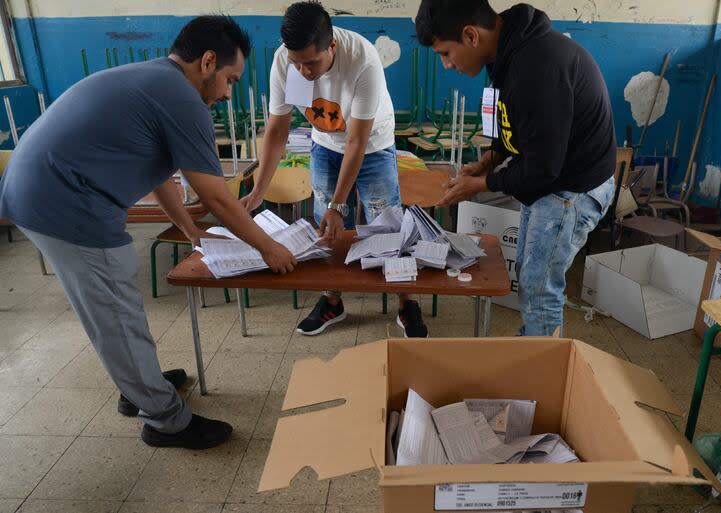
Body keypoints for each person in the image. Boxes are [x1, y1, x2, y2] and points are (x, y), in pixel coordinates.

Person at [0, 16, 297, 449]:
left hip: (39, 189)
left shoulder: (156, 82)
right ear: (208, 61)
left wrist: (189, 229)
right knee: (117, 313)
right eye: (231, 79)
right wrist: (270, 247)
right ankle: (164, 420)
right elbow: (215, 194)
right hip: (63, 203)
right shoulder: (182, 98)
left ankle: (140, 385)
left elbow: (161, 174)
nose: (229, 92)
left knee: (116, 308)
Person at [415, 1, 617, 337]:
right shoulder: (507, 54)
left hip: (572, 190)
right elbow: (517, 129)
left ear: (470, 36)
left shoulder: (536, 67)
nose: (446, 65)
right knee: (530, 275)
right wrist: (488, 160)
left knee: (539, 288)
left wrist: (479, 184)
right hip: (555, 181)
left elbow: (542, 169)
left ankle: (541, 371)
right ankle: (534, 344)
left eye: (445, 53)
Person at [243, 1, 429, 337]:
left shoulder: (363, 60)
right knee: (324, 226)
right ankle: (332, 300)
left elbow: (356, 143)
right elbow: (277, 130)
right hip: (324, 145)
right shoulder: (286, 62)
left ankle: (406, 302)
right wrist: (258, 190)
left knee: (387, 225)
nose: (303, 71)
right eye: (296, 62)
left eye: (311, 63)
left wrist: (337, 204)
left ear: (332, 45)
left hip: (373, 145)